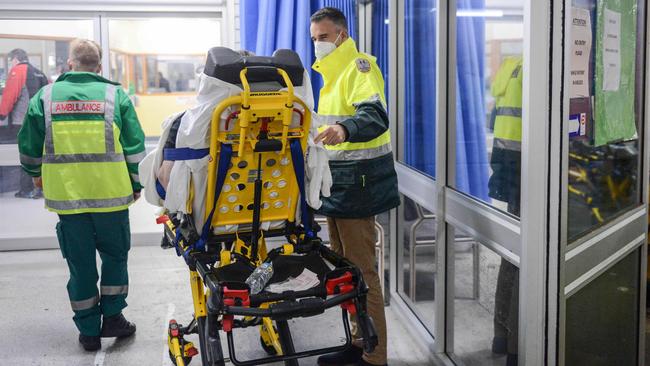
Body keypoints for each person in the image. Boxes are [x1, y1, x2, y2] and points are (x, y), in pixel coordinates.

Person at [18, 39, 146, 352]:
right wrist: (137, 183)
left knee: (80, 262)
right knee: (115, 256)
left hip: (68, 198)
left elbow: (29, 146)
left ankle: (88, 331)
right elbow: (135, 147)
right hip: (112, 195)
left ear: (70, 64)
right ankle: (113, 318)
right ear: (100, 67)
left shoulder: (45, 97)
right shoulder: (115, 95)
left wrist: (36, 177)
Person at [310, 7, 399, 366]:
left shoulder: (359, 66)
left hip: (359, 188)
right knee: (345, 273)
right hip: (338, 188)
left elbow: (375, 115)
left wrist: (345, 129)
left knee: (363, 273)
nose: (318, 45)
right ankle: (357, 342)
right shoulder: (329, 76)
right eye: (315, 39)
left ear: (342, 36)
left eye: (324, 37)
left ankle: (374, 358)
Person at [488, 56, 523, 366]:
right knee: (524, 259)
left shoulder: (510, 64)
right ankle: (516, 346)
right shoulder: (538, 67)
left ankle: (501, 334)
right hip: (530, 170)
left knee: (512, 256)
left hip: (506, 164)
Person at [0, 48, 49, 198]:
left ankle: (27, 189)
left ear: (15, 59)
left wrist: (1, 115)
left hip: (21, 121)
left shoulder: (18, 71)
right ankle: (40, 189)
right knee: (39, 154)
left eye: (10, 61)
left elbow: (10, 96)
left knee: (24, 155)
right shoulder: (40, 73)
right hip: (41, 121)